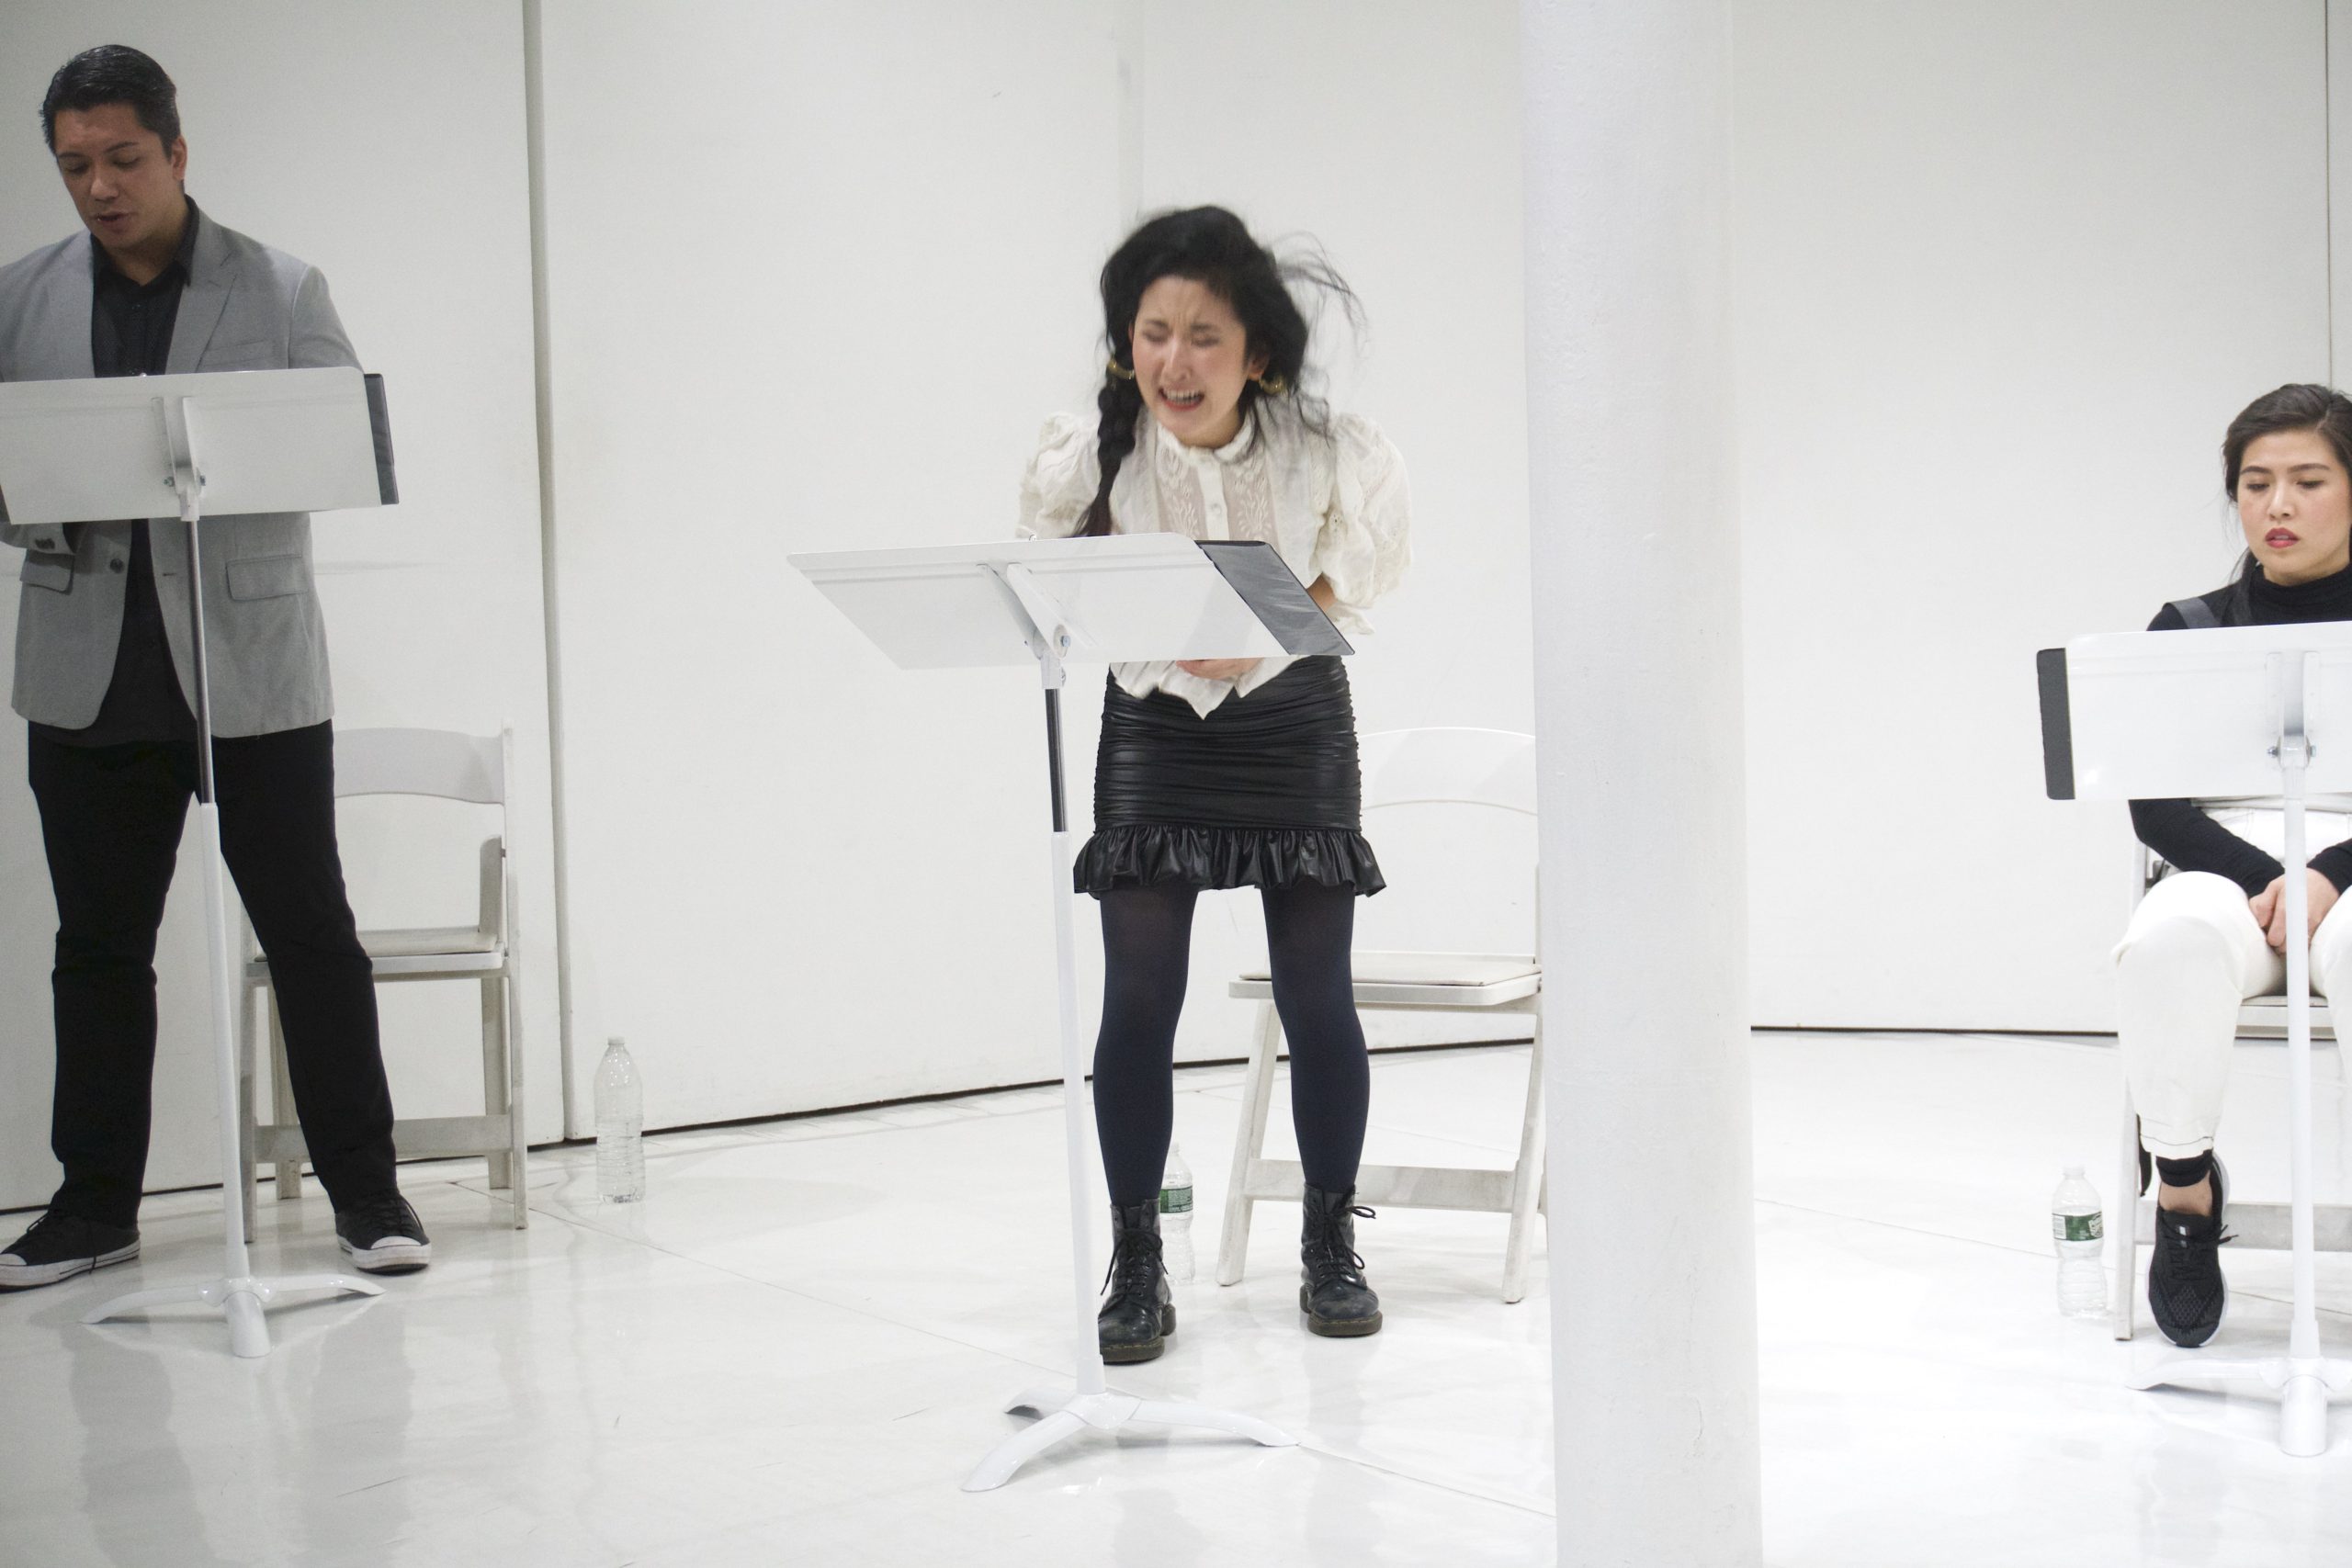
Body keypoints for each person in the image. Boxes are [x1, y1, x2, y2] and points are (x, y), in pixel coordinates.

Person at [0, 46, 428, 1290]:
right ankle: (94, 1208)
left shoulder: (282, 288)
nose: (100, 187)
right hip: (87, 672)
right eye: (74, 165)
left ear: (177, 152)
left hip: (251, 665)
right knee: (97, 949)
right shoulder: (20, 299)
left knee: (311, 935)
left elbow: (349, 449)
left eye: (123, 159)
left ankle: (368, 1195)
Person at [1019, 206, 1409, 1361]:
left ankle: (1330, 1244)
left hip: (1292, 721)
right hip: (1153, 725)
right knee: (1139, 998)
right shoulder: (1091, 452)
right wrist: (1146, 624)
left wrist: (1266, 628)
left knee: (1316, 994)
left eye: (1202, 336)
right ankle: (1138, 1260)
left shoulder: (1324, 448)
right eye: (1152, 333)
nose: (1173, 362)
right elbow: (1054, 578)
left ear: (1257, 353)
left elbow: (1361, 571)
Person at [2117, 381, 2352, 1346]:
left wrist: (2327, 874)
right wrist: (2269, 880)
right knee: (2169, 938)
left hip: (2351, 866)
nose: (2277, 505)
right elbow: (2156, 804)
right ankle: (2184, 1192)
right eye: (2256, 484)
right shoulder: (2190, 627)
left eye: (2308, 480)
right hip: (2224, 865)